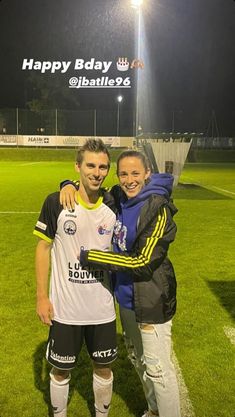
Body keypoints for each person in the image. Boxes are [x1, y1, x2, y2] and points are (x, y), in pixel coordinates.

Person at [60, 150, 181, 417]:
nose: (129, 180)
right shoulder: (120, 199)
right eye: (124, 174)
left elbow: (143, 262)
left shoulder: (158, 208)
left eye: (135, 173)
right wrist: (67, 184)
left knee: (159, 370)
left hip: (151, 302)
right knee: (139, 361)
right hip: (126, 301)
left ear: (147, 173)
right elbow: (89, 186)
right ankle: (153, 409)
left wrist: (92, 257)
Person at [34, 139, 117, 417]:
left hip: (102, 310)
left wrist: (67, 181)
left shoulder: (114, 204)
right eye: (90, 165)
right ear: (78, 167)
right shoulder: (56, 202)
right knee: (60, 370)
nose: (97, 172)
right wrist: (42, 297)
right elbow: (43, 248)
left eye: (103, 166)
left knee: (103, 368)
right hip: (65, 310)